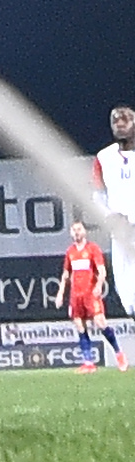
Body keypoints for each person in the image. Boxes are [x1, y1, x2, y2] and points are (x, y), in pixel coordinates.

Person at [63, 221, 124, 371]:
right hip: (76, 296)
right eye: (74, 230)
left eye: (79, 229)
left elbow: (102, 270)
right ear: (71, 233)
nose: (76, 232)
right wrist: (60, 293)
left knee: (100, 323)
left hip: (90, 294)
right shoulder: (70, 252)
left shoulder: (92, 249)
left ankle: (119, 354)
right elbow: (66, 274)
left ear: (84, 231)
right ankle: (89, 363)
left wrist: (98, 285)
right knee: (80, 326)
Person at [93, 106, 135, 324]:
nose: (120, 123)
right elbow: (97, 195)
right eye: (115, 120)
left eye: (125, 119)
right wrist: (110, 216)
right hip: (120, 231)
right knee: (126, 290)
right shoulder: (104, 157)